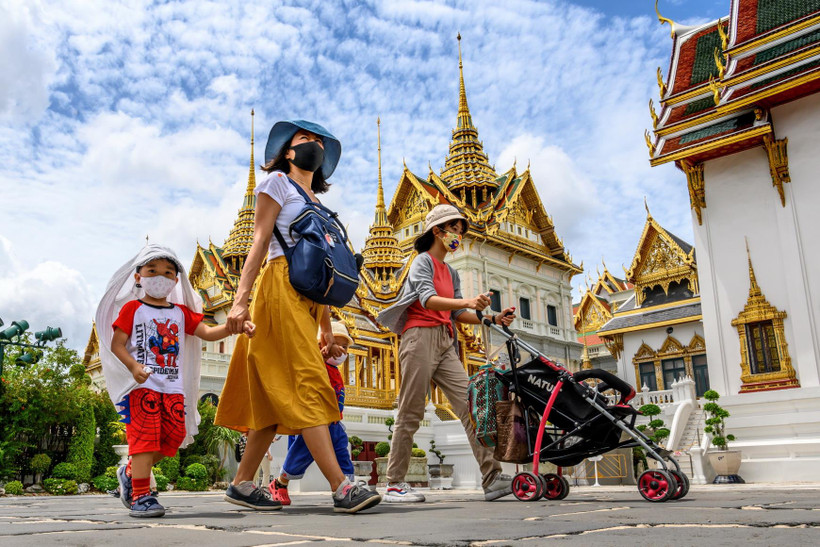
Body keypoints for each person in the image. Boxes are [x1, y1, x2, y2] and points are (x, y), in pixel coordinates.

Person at [214, 119, 381, 514]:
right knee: (309, 381)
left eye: (319, 142)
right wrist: (240, 300)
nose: (314, 145)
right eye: (305, 139)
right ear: (287, 151)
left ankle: (241, 484)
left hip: (308, 300)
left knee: (273, 396)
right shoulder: (276, 184)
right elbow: (259, 241)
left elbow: (323, 272)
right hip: (277, 289)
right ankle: (341, 486)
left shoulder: (318, 203)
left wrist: (325, 327)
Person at [95, 244, 255, 518]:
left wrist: (233, 327)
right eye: (152, 271)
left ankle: (130, 471)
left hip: (173, 388)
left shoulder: (180, 313)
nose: (160, 276)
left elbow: (207, 332)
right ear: (138, 277)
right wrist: (133, 367)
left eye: (168, 272)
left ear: (176, 280)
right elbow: (117, 344)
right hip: (142, 387)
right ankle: (141, 496)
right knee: (145, 441)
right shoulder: (133, 309)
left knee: (173, 438)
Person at [377, 204, 517, 503]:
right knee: (411, 411)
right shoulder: (422, 262)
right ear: (437, 231)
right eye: (454, 228)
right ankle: (394, 483)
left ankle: (492, 478)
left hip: (445, 340)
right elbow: (428, 300)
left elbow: (457, 314)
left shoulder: (451, 272)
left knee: (472, 407)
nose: (458, 235)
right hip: (419, 337)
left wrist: (492, 318)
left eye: (460, 230)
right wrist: (468, 301)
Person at [270, 321, 356, 505]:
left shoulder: (335, 371)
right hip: (313, 421)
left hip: (334, 421)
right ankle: (280, 483)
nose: (341, 350)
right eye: (336, 344)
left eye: (345, 347)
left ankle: (348, 486)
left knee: (341, 449)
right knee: (302, 453)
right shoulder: (315, 363)